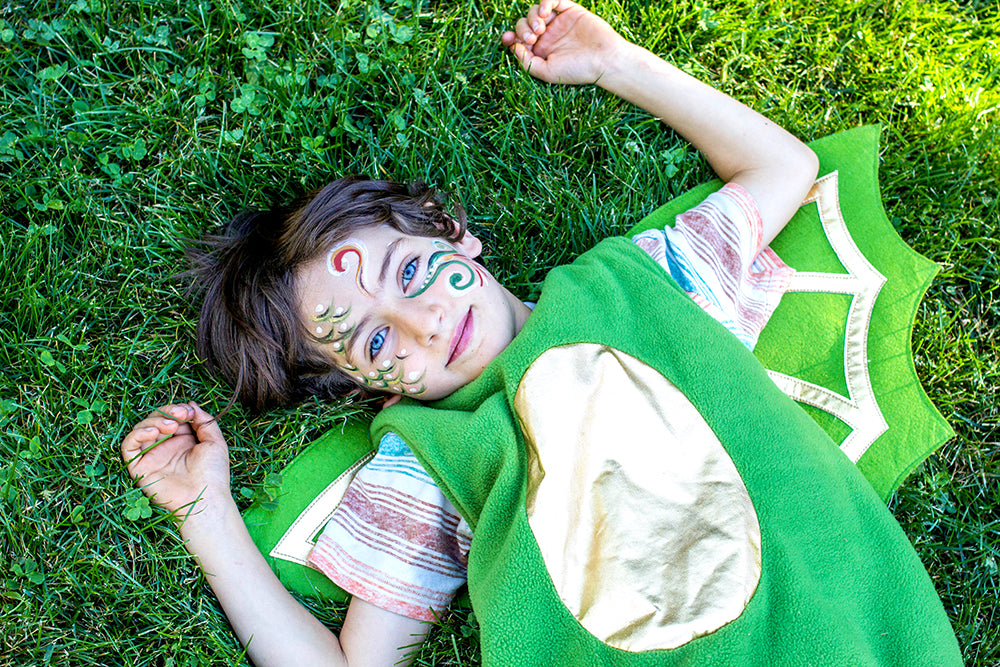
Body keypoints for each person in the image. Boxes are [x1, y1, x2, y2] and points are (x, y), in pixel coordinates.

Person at [121, 1, 962, 665]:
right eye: (373, 342)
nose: (420, 322)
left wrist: (616, 64)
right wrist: (206, 513)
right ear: (359, 384)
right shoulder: (425, 456)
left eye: (409, 273)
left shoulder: (642, 283)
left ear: (451, 229)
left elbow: (784, 168)